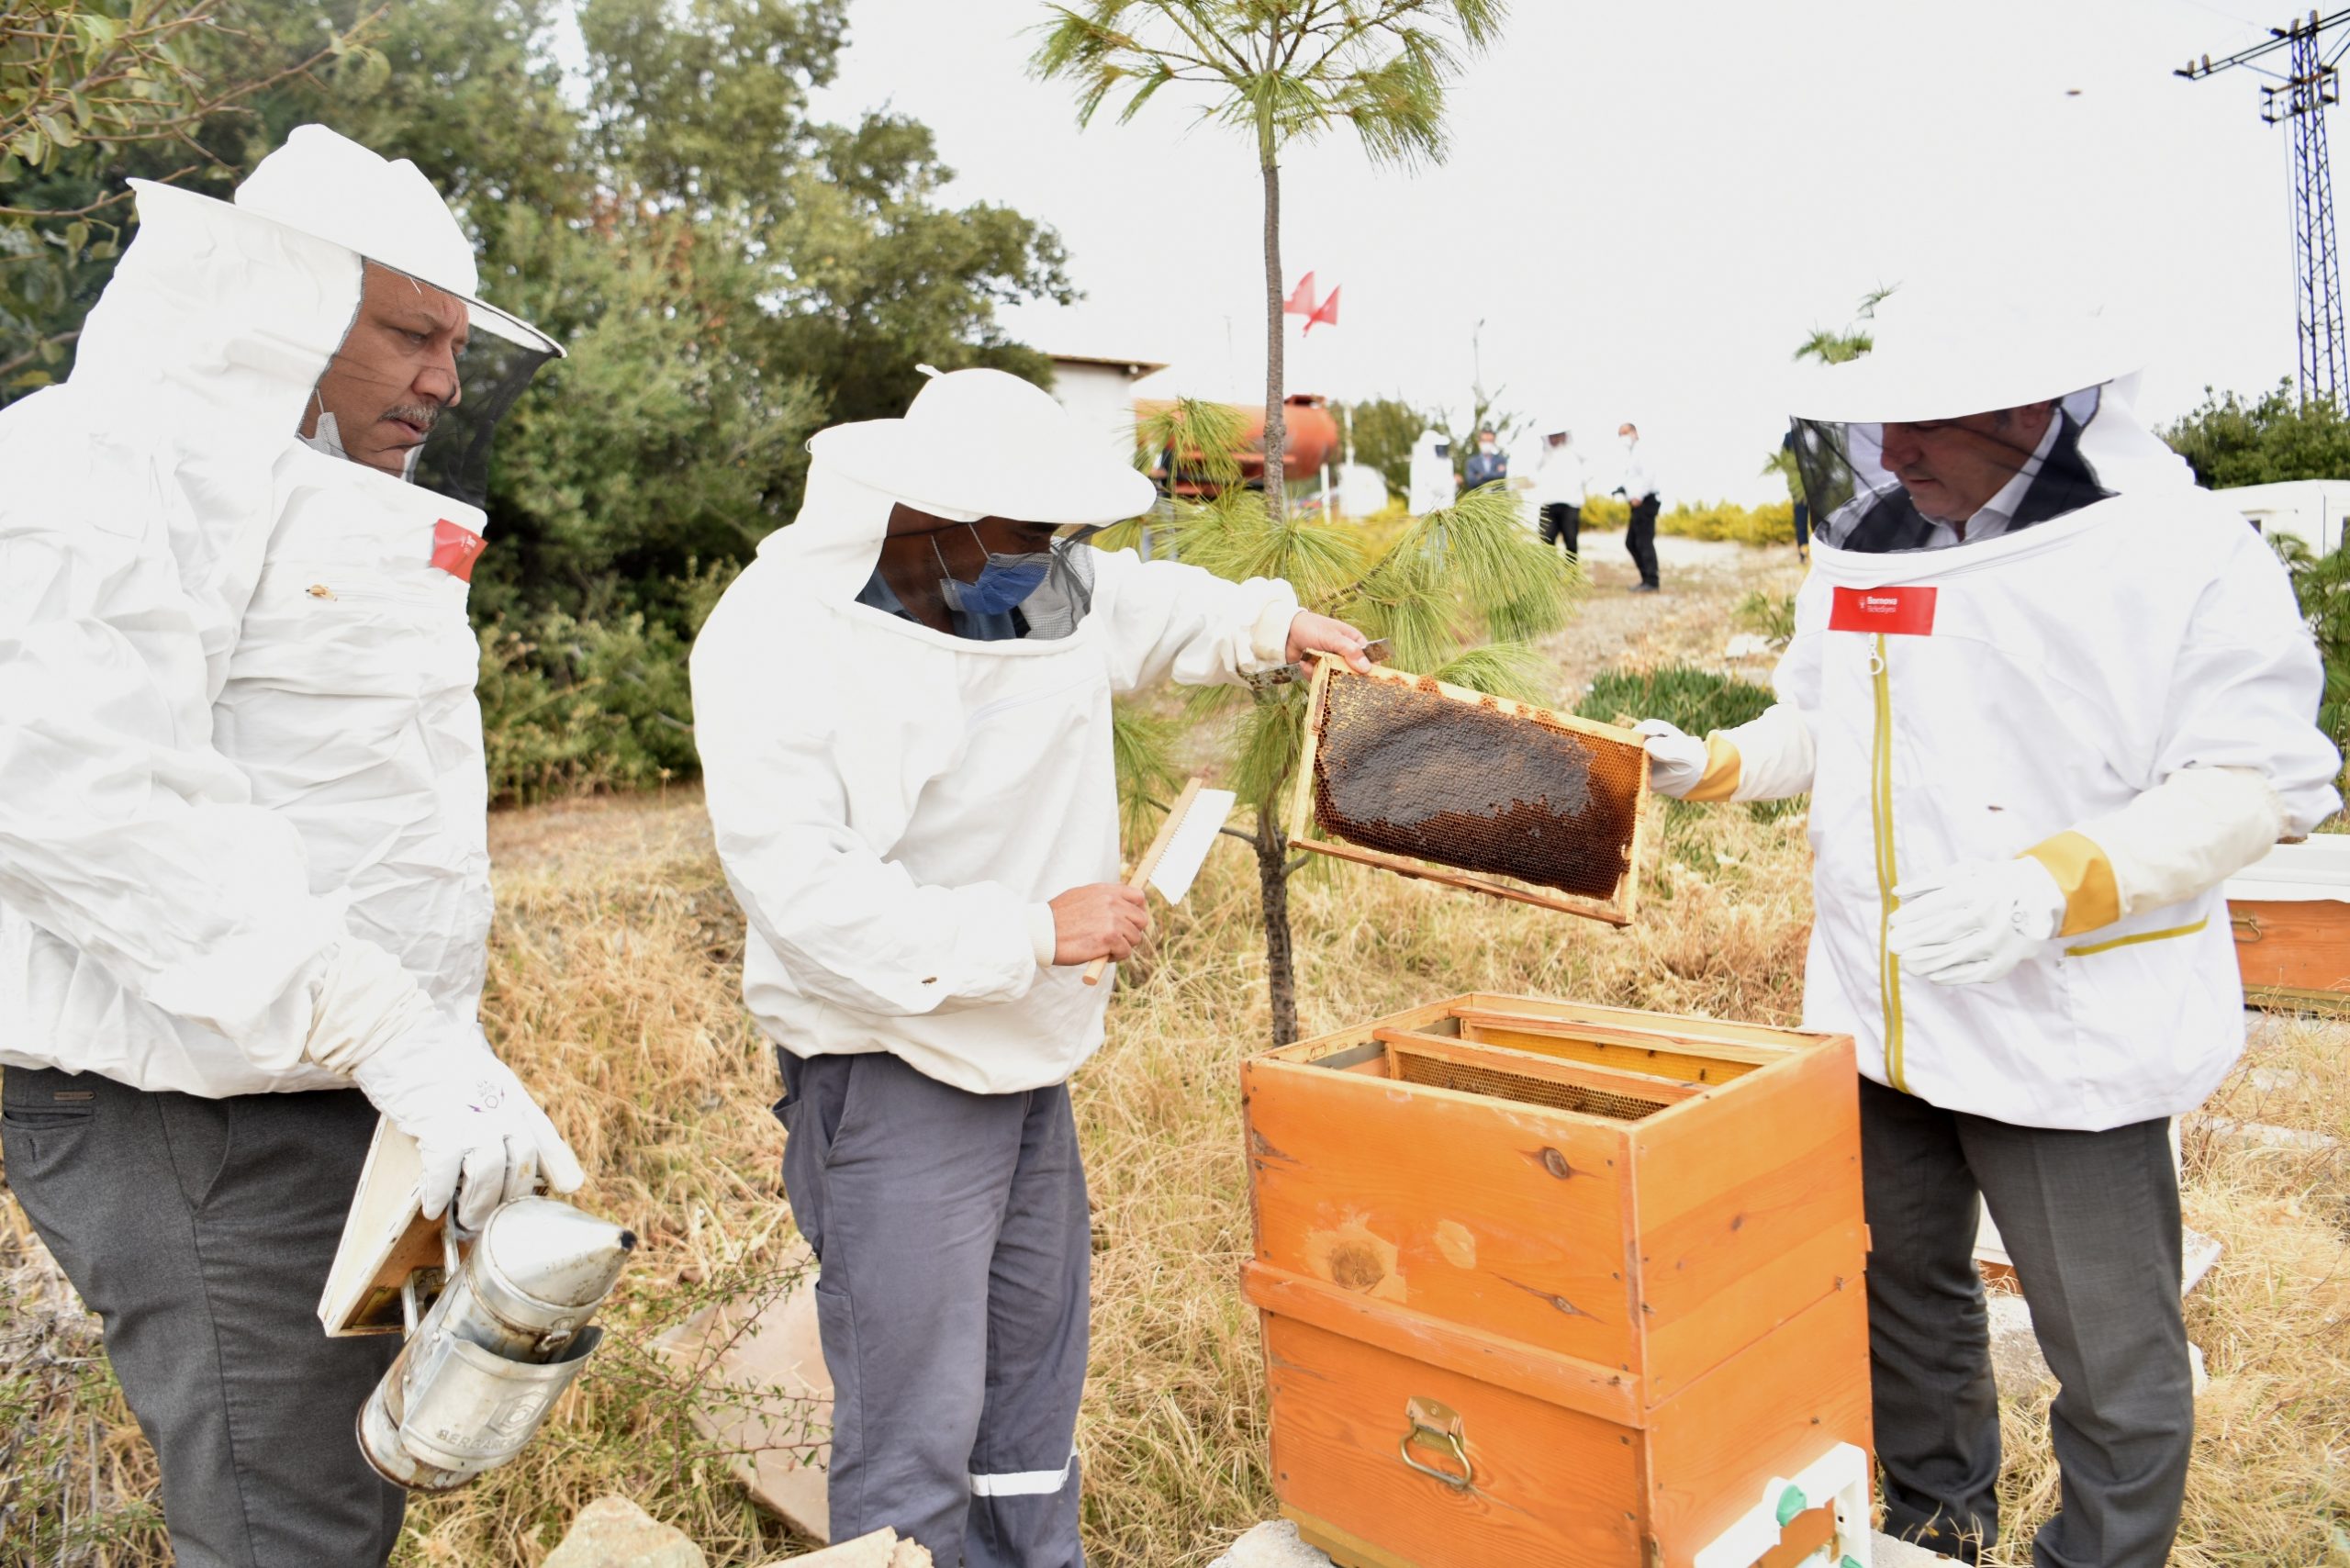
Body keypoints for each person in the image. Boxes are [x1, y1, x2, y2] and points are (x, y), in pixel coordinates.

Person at [1634, 286, 2342, 1568]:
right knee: (1906, 1297)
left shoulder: (2178, 552)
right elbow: (1822, 718)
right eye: (1878, 429)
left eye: (1924, 428)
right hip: (1877, 1006)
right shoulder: (1869, 542)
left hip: (2063, 1021)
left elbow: (2263, 780)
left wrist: (2051, 885)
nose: (1892, 456)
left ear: (2032, 409)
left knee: (2113, 1354)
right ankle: (1932, 1525)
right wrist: (1723, 763)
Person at [0, 126, 582, 1568]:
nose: (443, 378)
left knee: (334, 1501)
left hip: (319, 1093)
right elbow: (88, 801)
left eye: (454, 343)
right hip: (187, 1115)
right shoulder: (82, 468)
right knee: (288, 1531)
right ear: (281, 306)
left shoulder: (289, 491)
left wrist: (427, 1054)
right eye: (408, 335)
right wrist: (390, 1024)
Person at [691, 367, 1373, 1568]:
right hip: (889, 1064)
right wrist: (1032, 932)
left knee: (1026, 1390)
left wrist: (1273, 623)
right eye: (1019, 535)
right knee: (916, 1420)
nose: (1040, 560)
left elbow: (1152, 605)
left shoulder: (1042, 582)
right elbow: (803, 891)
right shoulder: (779, 633)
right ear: (926, 512)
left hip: (1026, 1059)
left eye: (1053, 537)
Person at [1614, 420, 1662, 591]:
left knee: (1643, 542)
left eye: (1624, 433)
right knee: (1631, 542)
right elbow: (1633, 479)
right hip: (1637, 504)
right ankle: (1646, 579)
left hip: (1645, 501)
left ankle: (1652, 581)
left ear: (1634, 432)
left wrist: (1639, 496)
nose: (1622, 438)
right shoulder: (1633, 453)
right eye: (1620, 434)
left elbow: (1649, 474)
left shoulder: (1642, 450)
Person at [1532, 427, 1587, 560]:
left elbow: (1589, 466)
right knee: (1546, 540)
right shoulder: (1545, 454)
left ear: (1564, 436)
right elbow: (1534, 470)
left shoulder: (1574, 453)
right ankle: (1550, 574)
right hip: (1548, 504)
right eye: (1551, 436)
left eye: (1558, 435)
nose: (1554, 439)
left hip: (1570, 504)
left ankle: (1571, 573)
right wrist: (1545, 450)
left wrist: (1580, 483)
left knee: (1571, 541)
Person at [1460, 423, 1508, 491]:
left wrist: (1481, 476)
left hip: (1498, 500)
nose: (1487, 443)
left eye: (1490, 441)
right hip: (1478, 499)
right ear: (1479, 442)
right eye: (1484, 441)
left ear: (1494, 442)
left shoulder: (1501, 459)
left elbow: (1501, 477)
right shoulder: (1471, 462)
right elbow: (1471, 481)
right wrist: (1494, 476)